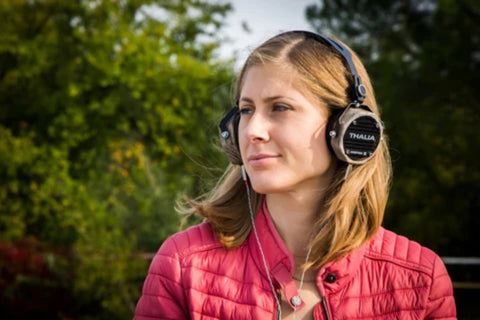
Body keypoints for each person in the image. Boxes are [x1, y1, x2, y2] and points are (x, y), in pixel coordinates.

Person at [134, 31, 456, 320]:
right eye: (246, 110)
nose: (253, 131)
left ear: (347, 128)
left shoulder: (421, 281)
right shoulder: (181, 266)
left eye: (280, 108)